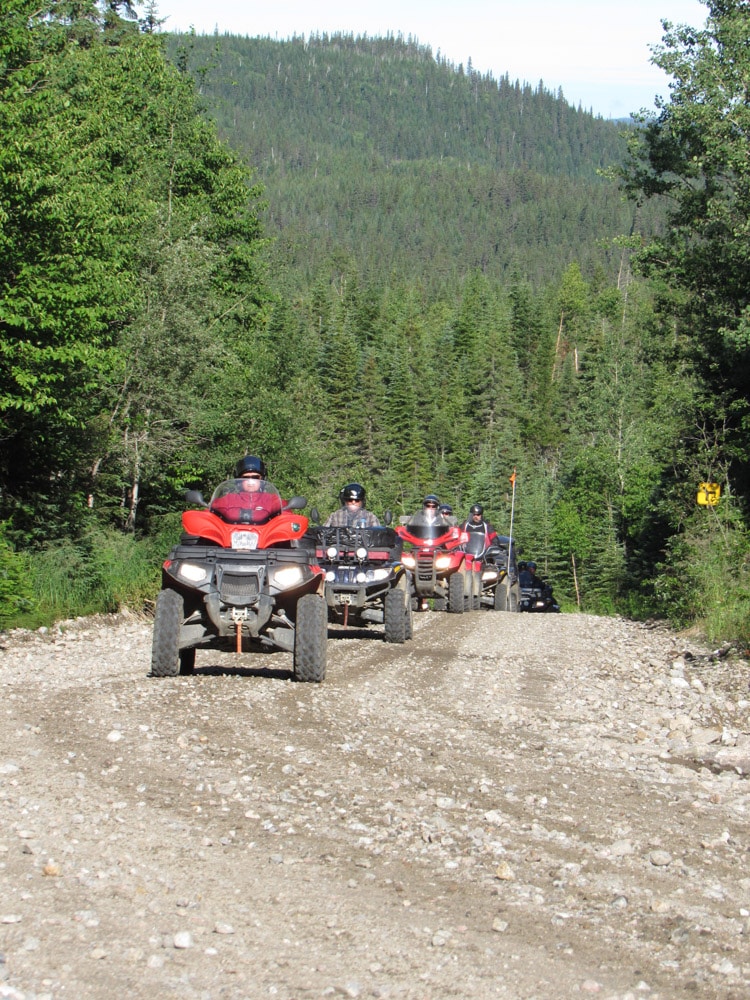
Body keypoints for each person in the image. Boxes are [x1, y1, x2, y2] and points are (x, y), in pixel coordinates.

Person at [209, 454, 283, 522]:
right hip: (229, 535)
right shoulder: (228, 499)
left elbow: (285, 514)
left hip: (265, 535)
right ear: (238, 480)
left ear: (263, 479)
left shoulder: (272, 500)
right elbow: (210, 513)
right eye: (245, 478)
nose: (250, 481)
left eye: (255, 477)